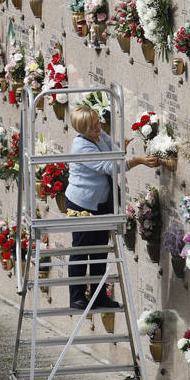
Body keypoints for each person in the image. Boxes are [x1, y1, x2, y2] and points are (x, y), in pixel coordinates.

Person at [65, 104, 160, 310]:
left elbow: (111, 152)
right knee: (82, 250)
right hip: (82, 203)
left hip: (101, 201)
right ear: (82, 130)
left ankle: (99, 297)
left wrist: (120, 147)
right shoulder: (81, 146)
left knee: (100, 251)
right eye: (92, 127)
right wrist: (137, 161)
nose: (98, 128)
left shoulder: (100, 135)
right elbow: (109, 166)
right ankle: (76, 296)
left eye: (98, 123)